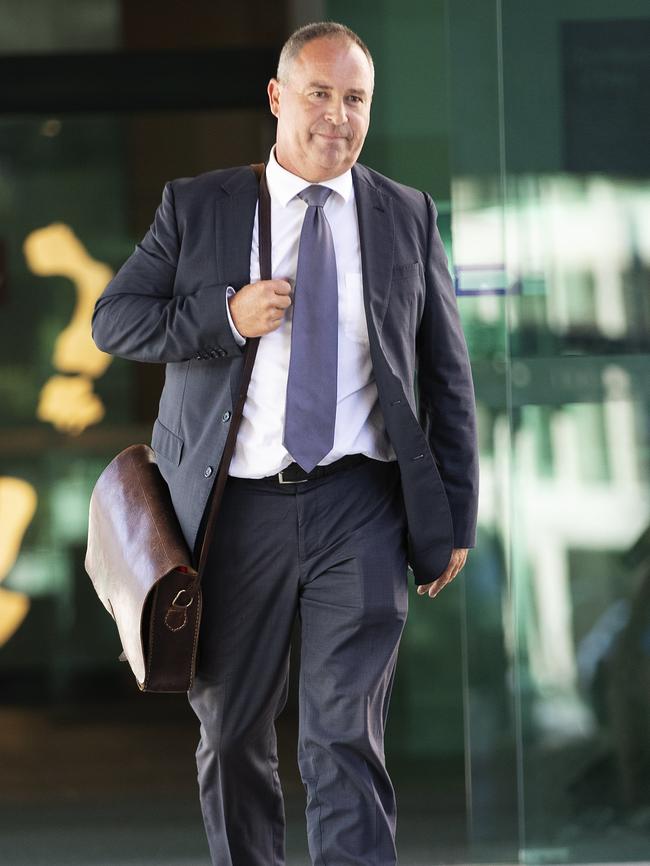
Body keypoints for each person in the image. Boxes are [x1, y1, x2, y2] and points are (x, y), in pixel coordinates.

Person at [91, 20, 479, 866]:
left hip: (360, 507)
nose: (338, 116)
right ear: (277, 98)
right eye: (320, 94)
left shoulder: (406, 215)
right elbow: (113, 320)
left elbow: (445, 374)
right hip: (236, 513)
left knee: (344, 738)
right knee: (232, 735)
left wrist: (454, 514)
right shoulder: (197, 206)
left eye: (355, 99)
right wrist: (226, 316)